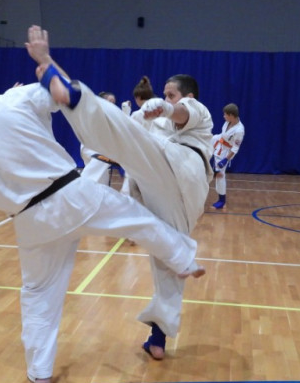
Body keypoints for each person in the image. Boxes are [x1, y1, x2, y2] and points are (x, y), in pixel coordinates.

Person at [0, 73, 204, 383]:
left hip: (27, 220)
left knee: (38, 294)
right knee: (138, 219)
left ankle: (40, 369)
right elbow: (60, 94)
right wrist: (34, 81)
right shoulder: (11, 99)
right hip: (69, 195)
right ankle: (183, 259)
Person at [24, 25, 213, 362]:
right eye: (166, 94)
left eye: (172, 94)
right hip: (167, 187)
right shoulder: (147, 119)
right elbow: (112, 125)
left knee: (124, 134)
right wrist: (52, 68)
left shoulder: (197, 114)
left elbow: (183, 112)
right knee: (169, 255)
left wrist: (168, 107)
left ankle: (65, 87)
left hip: (183, 167)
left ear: (188, 96)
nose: (167, 98)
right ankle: (158, 338)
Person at [80, 92, 123, 186]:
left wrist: (125, 112)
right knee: (97, 167)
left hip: (101, 150)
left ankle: (85, 189)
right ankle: (78, 187)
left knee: (101, 181)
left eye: (114, 102)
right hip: (90, 148)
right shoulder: (94, 113)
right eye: (110, 101)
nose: (112, 104)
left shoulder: (110, 116)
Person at [210, 103, 244, 209]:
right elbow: (223, 135)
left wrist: (225, 159)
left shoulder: (239, 130)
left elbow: (235, 148)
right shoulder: (228, 122)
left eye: (225, 114)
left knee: (220, 174)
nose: (224, 116)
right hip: (218, 140)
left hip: (225, 152)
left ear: (231, 115)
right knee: (203, 142)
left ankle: (222, 200)